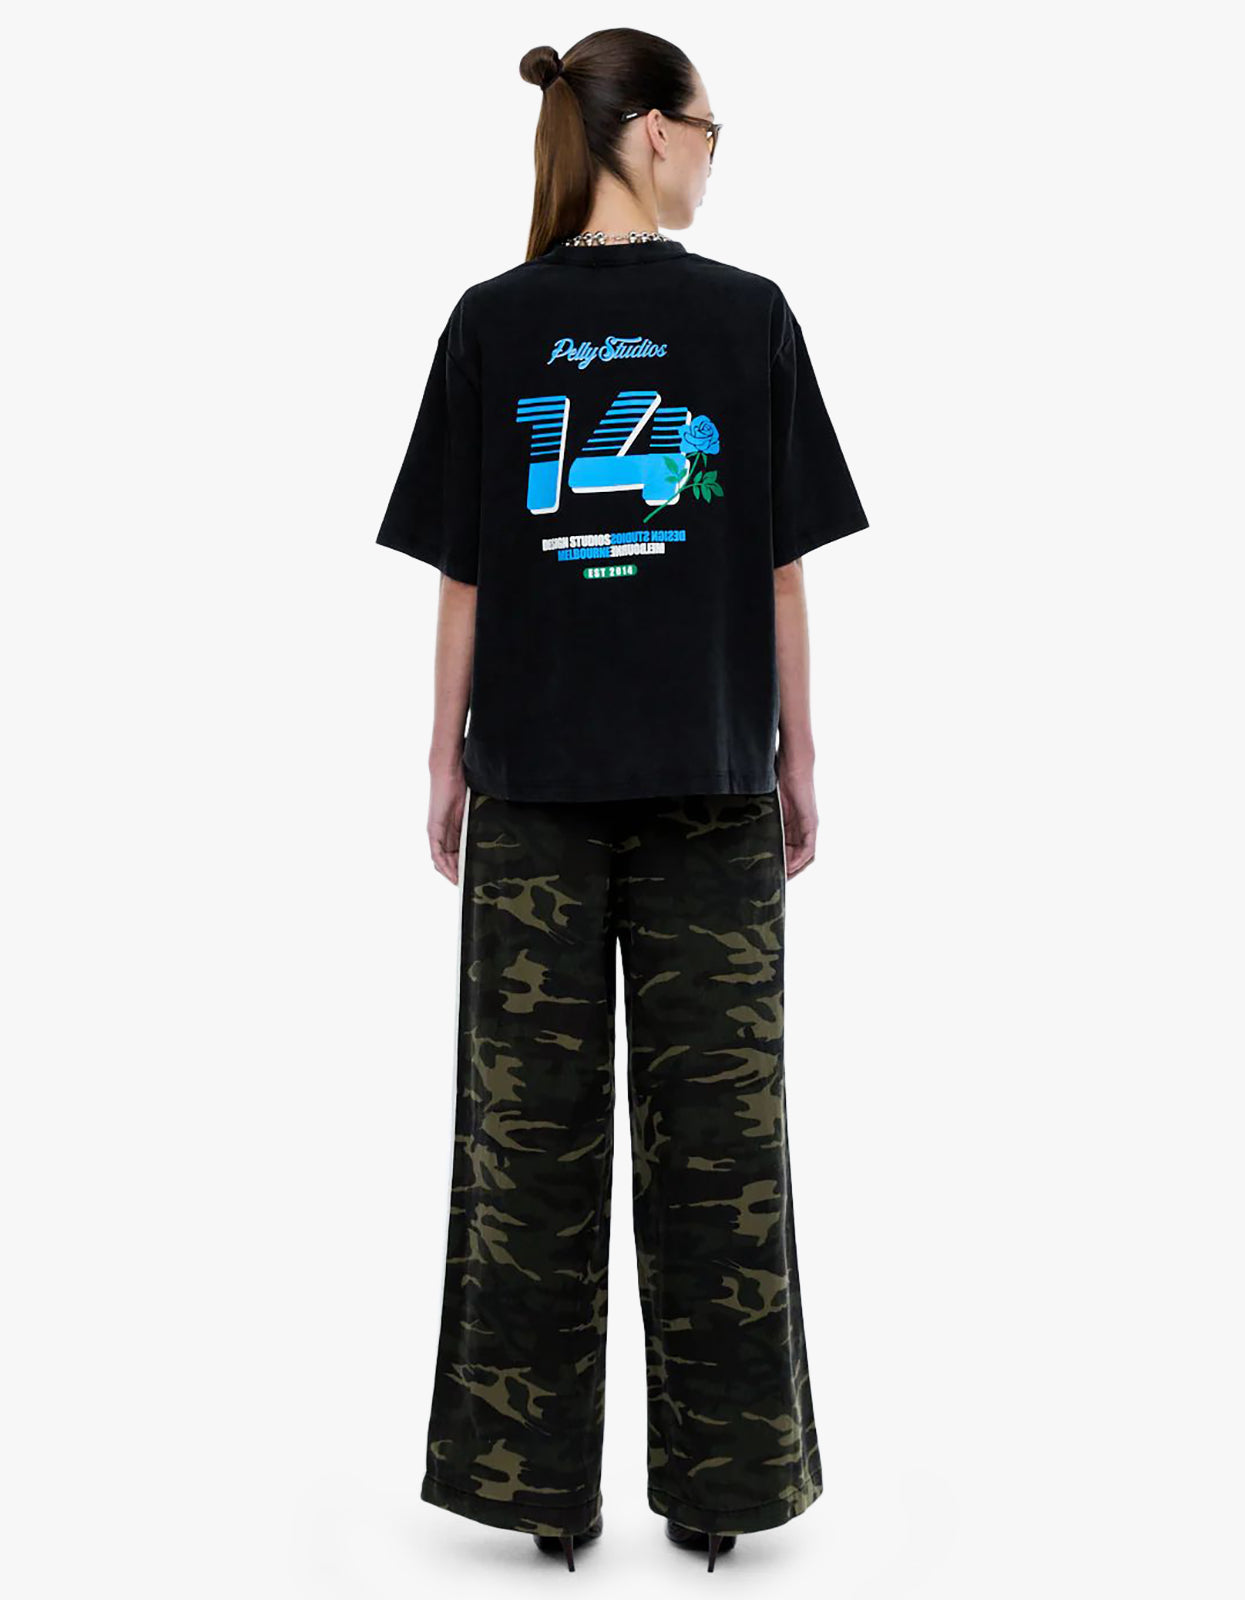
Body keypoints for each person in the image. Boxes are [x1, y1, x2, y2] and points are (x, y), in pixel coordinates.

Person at [375, 27, 869, 1573]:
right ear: (651, 131)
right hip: (709, 780)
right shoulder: (741, 317)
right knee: (721, 1145)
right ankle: (724, 1490)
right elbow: (777, 572)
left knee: (522, 1147)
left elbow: (466, 578)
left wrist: (442, 754)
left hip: (534, 784)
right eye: (710, 129)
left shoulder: (494, 321)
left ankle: (533, 1491)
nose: (713, 157)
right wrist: (797, 751)